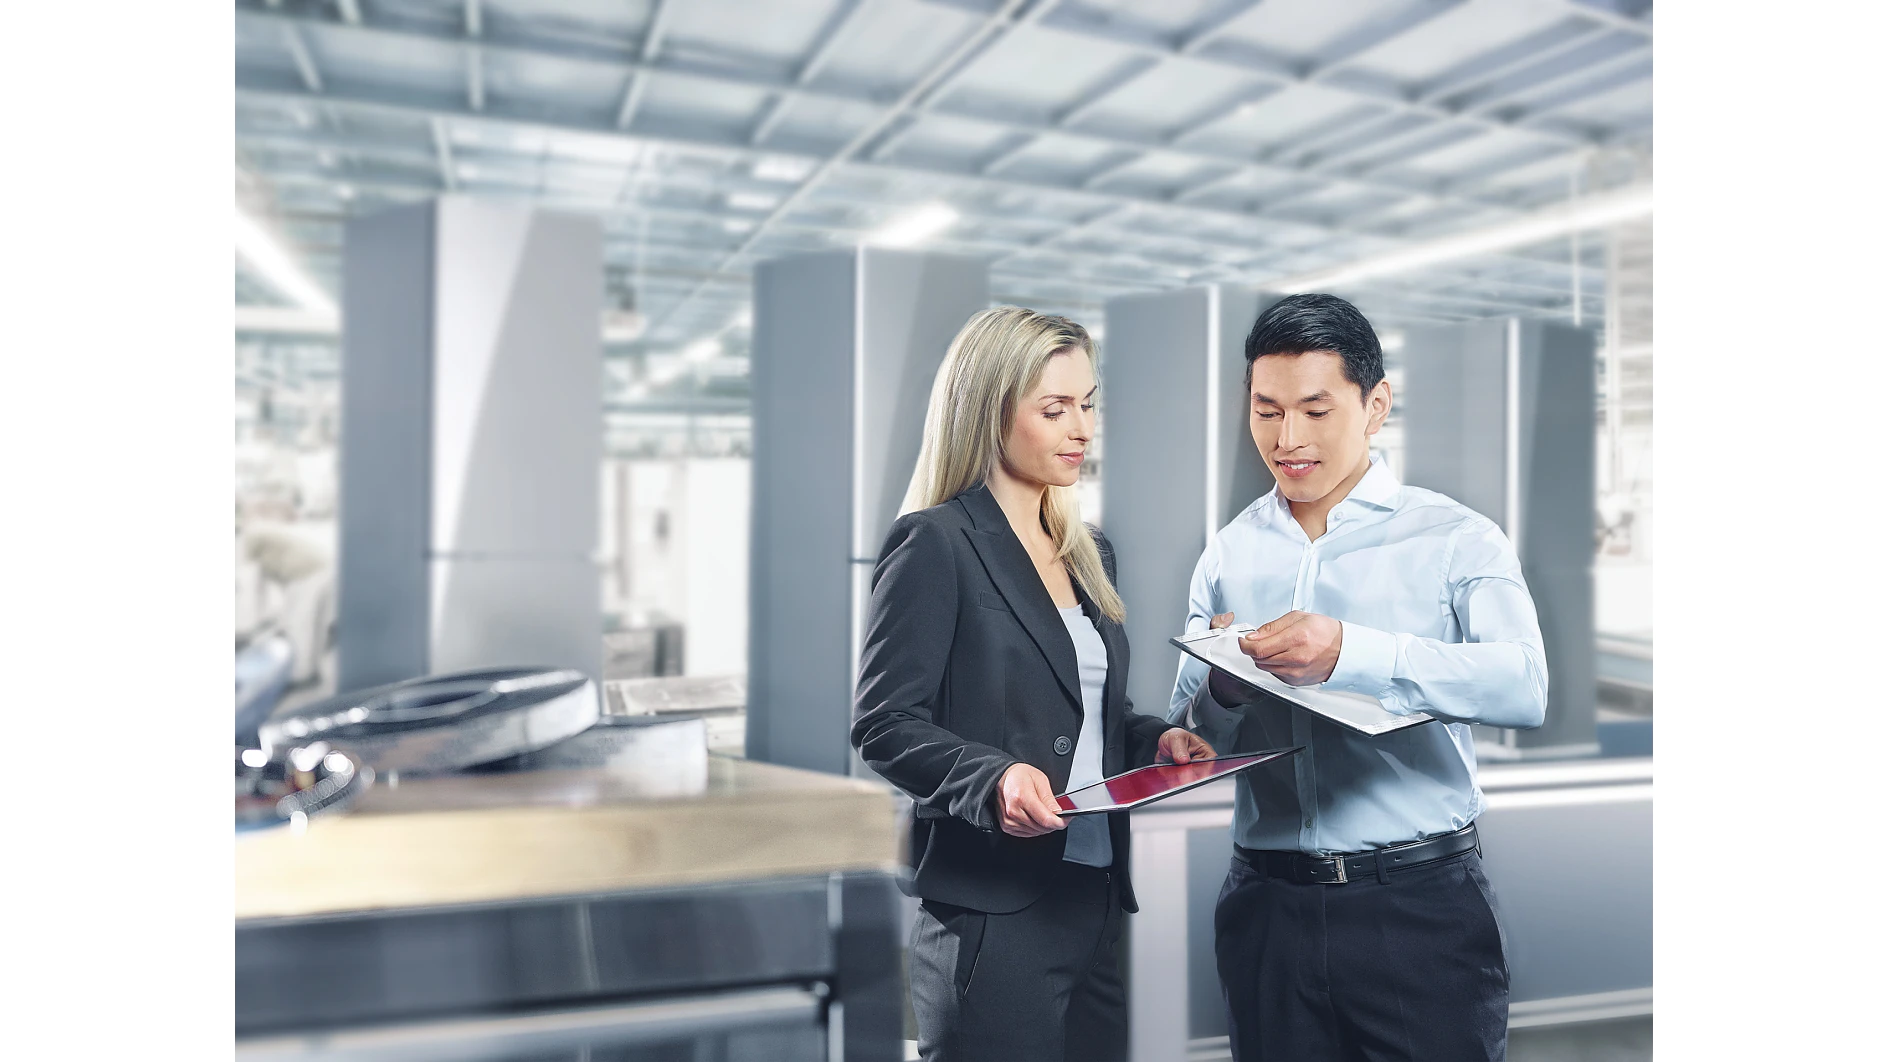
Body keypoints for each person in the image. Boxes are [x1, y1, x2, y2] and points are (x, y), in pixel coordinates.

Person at [1168, 293, 1548, 1062]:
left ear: (1375, 406)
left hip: (1417, 908)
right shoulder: (1229, 552)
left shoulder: (1456, 537)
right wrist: (1225, 688)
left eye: (1315, 410)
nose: (1288, 438)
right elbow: (1192, 731)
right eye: (1267, 411)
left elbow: (1523, 684)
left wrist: (1353, 653)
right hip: (1266, 907)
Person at [853, 306, 1215, 1062]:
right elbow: (884, 723)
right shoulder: (936, 543)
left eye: (1088, 405)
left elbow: (1088, 712)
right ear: (991, 413)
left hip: (1093, 896)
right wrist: (993, 778)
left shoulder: (1089, 552)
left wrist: (1156, 741)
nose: (1081, 429)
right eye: (1054, 409)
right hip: (993, 909)